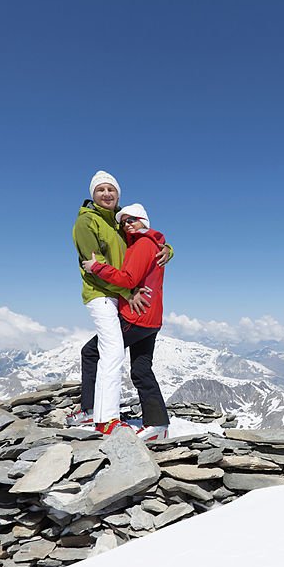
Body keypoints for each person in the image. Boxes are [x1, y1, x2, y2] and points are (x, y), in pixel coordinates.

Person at [67, 176, 172, 428]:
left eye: (111, 189)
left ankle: (100, 416)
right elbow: (98, 265)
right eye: (100, 189)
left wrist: (167, 248)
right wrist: (127, 291)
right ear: (92, 194)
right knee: (126, 361)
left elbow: (137, 262)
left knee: (105, 354)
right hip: (111, 297)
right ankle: (148, 422)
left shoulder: (125, 231)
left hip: (132, 306)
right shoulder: (87, 222)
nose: (106, 193)